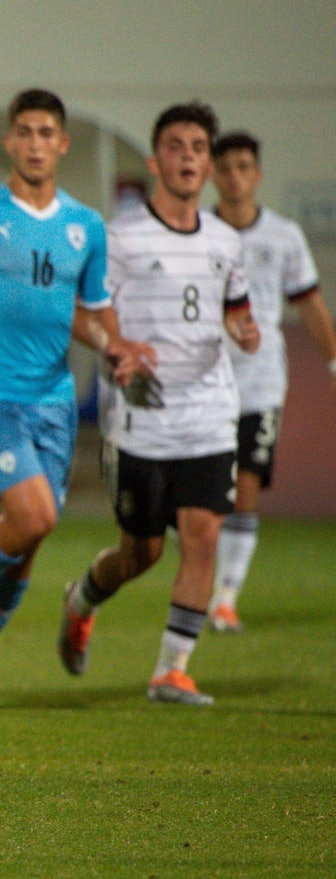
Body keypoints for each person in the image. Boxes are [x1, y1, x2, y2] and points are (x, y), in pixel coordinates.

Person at [0, 88, 152, 714]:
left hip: (54, 401)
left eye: (47, 133)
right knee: (36, 517)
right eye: (25, 132)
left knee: (26, 546)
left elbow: (91, 316)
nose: (36, 143)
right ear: (10, 140)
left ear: (62, 144)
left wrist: (115, 344)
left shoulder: (86, 226)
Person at [57, 102, 260, 705]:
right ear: (154, 160)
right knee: (141, 550)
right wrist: (114, 344)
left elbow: (236, 309)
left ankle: (172, 670)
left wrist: (244, 330)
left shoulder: (227, 240)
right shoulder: (117, 239)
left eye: (199, 147)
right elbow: (77, 312)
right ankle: (83, 598)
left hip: (209, 413)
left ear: (210, 163)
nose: (189, 157)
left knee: (202, 533)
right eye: (177, 145)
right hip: (139, 416)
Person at [206, 131, 336, 633]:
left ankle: (225, 597)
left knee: (247, 485)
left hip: (261, 380)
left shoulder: (283, 236)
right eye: (226, 167)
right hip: (203, 381)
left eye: (244, 166)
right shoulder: (198, 233)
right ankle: (200, 575)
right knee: (199, 493)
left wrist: (332, 365)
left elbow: (310, 305)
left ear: (257, 174)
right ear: (214, 175)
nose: (235, 176)